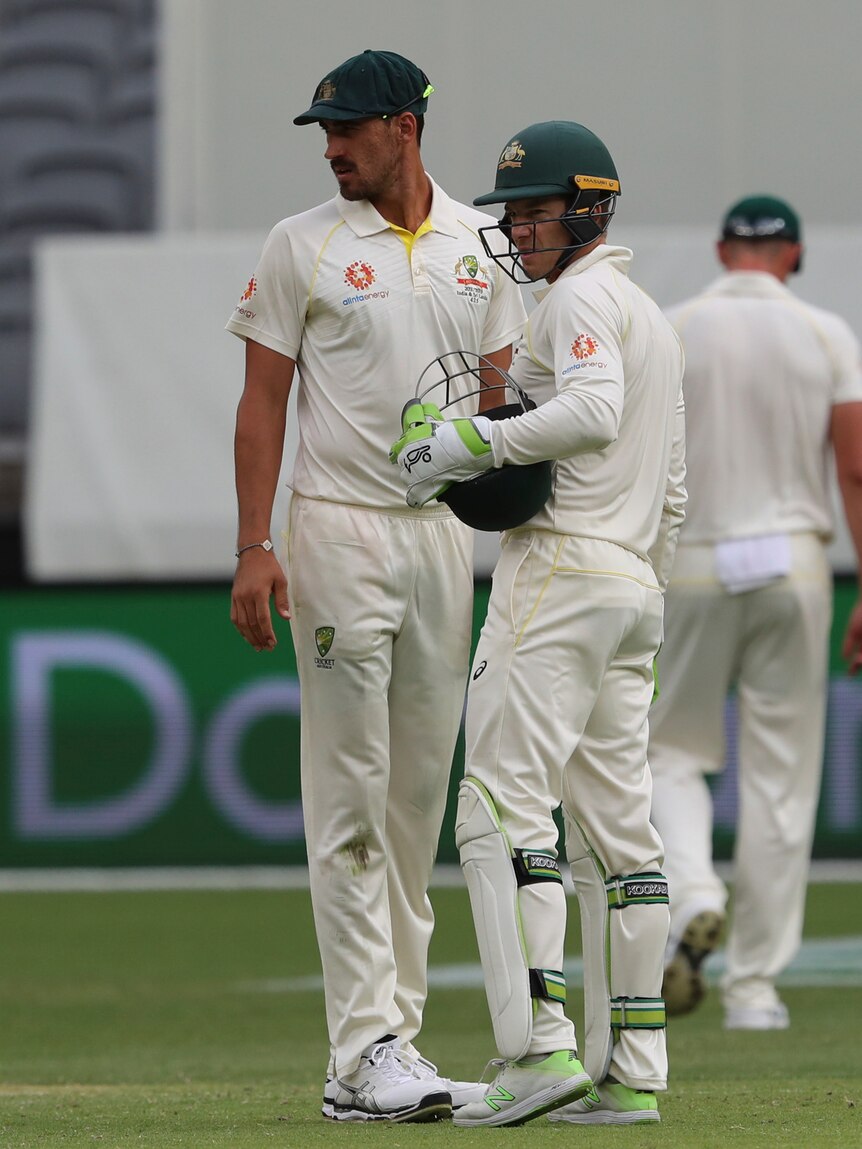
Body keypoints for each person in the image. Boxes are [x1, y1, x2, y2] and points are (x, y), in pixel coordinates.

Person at [225, 49, 527, 1123]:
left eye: (348, 129)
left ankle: (385, 1050)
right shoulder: (301, 243)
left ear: (405, 125)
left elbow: (498, 406)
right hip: (338, 533)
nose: (331, 148)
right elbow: (263, 404)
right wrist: (254, 545)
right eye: (322, 131)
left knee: (410, 803)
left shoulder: (481, 246)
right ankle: (366, 1044)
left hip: (440, 537)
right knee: (347, 791)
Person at [390, 119, 686, 1126]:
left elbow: (592, 412)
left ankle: (535, 1053)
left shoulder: (576, 300)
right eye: (511, 208)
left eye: (535, 207)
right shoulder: (647, 310)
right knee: (620, 835)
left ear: (590, 207)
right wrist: (641, 579)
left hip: (560, 570)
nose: (519, 224)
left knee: (497, 809)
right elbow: (673, 486)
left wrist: (471, 438)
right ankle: (633, 1072)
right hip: (632, 582)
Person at [648, 195, 862, 1030]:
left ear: (720, 248)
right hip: (793, 568)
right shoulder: (825, 333)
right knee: (781, 779)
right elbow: (855, 471)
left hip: (692, 565)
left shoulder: (672, 326)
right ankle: (755, 990)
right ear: (795, 255)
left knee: (669, 752)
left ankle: (694, 887)